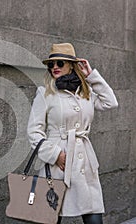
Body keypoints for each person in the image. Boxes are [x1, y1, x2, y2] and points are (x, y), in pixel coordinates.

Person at [27, 43, 118, 224]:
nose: (54, 68)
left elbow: (111, 102)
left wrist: (91, 76)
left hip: (84, 162)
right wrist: (55, 155)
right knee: (51, 217)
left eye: (59, 63)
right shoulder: (45, 93)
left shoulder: (87, 93)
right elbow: (33, 132)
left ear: (71, 65)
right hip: (58, 164)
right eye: (51, 65)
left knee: (93, 217)